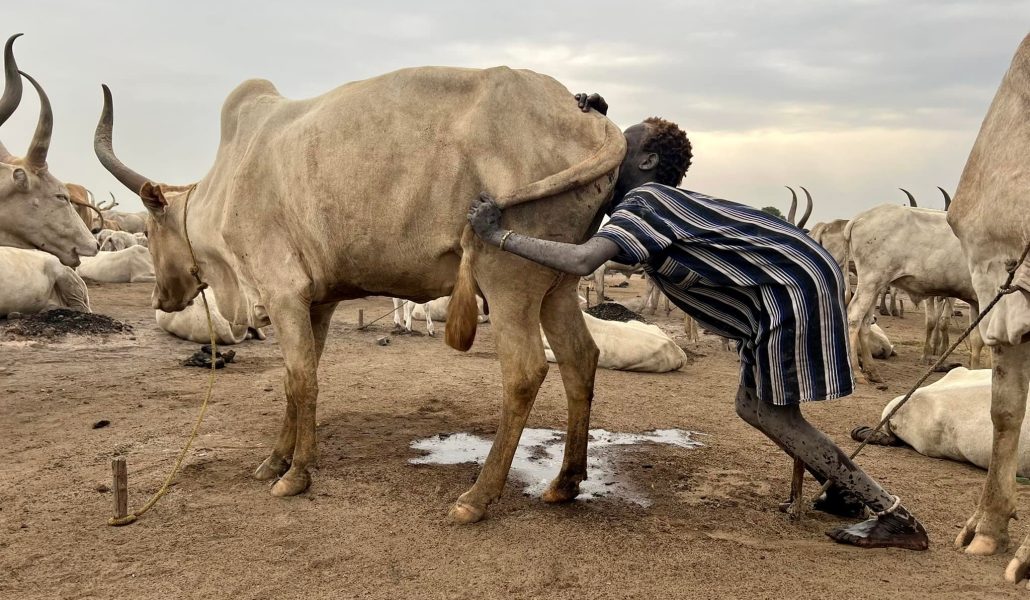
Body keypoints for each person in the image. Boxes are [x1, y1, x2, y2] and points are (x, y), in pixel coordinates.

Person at [464, 93, 929, 550]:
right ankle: (844, 487)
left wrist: (497, 235)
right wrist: (600, 121)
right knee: (756, 406)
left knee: (766, 411)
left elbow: (585, 259)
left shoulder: (647, 202)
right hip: (783, 285)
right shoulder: (650, 200)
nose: (610, 153)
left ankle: (891, 512)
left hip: (786, 290)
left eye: (622, 146)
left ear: (646, 161)